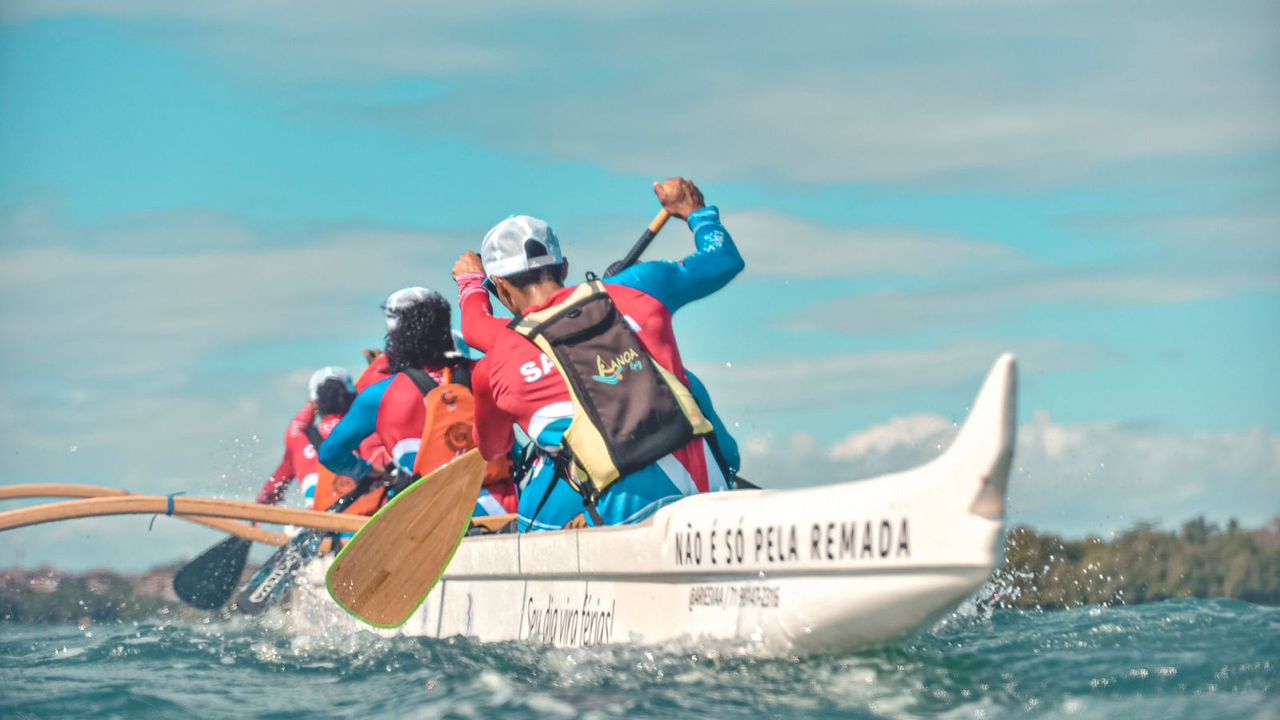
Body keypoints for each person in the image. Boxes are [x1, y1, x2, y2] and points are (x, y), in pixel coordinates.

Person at [464, 177, 744, 531]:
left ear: (502, 287)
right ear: (564, 268)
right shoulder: (639, 287)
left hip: (626, 512)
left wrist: (470, 285)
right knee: (686, 384)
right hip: (710, 488)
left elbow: (491, 449)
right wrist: (695, 211)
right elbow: (722, 259)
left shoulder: (495, 362)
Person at [318, 287, 518, 517]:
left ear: (394, 337)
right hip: (503, 511)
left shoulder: (379, 396)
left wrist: (366, 471)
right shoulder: (487, 373)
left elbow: (330, 454)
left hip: (431, 518)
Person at [256, 367, 357, 508]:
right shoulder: (364, 431)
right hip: (362, 510)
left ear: (315, 402)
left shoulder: (297, 438)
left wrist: (261, 503)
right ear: (352, 398)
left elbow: (269, 493)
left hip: (323, 517)